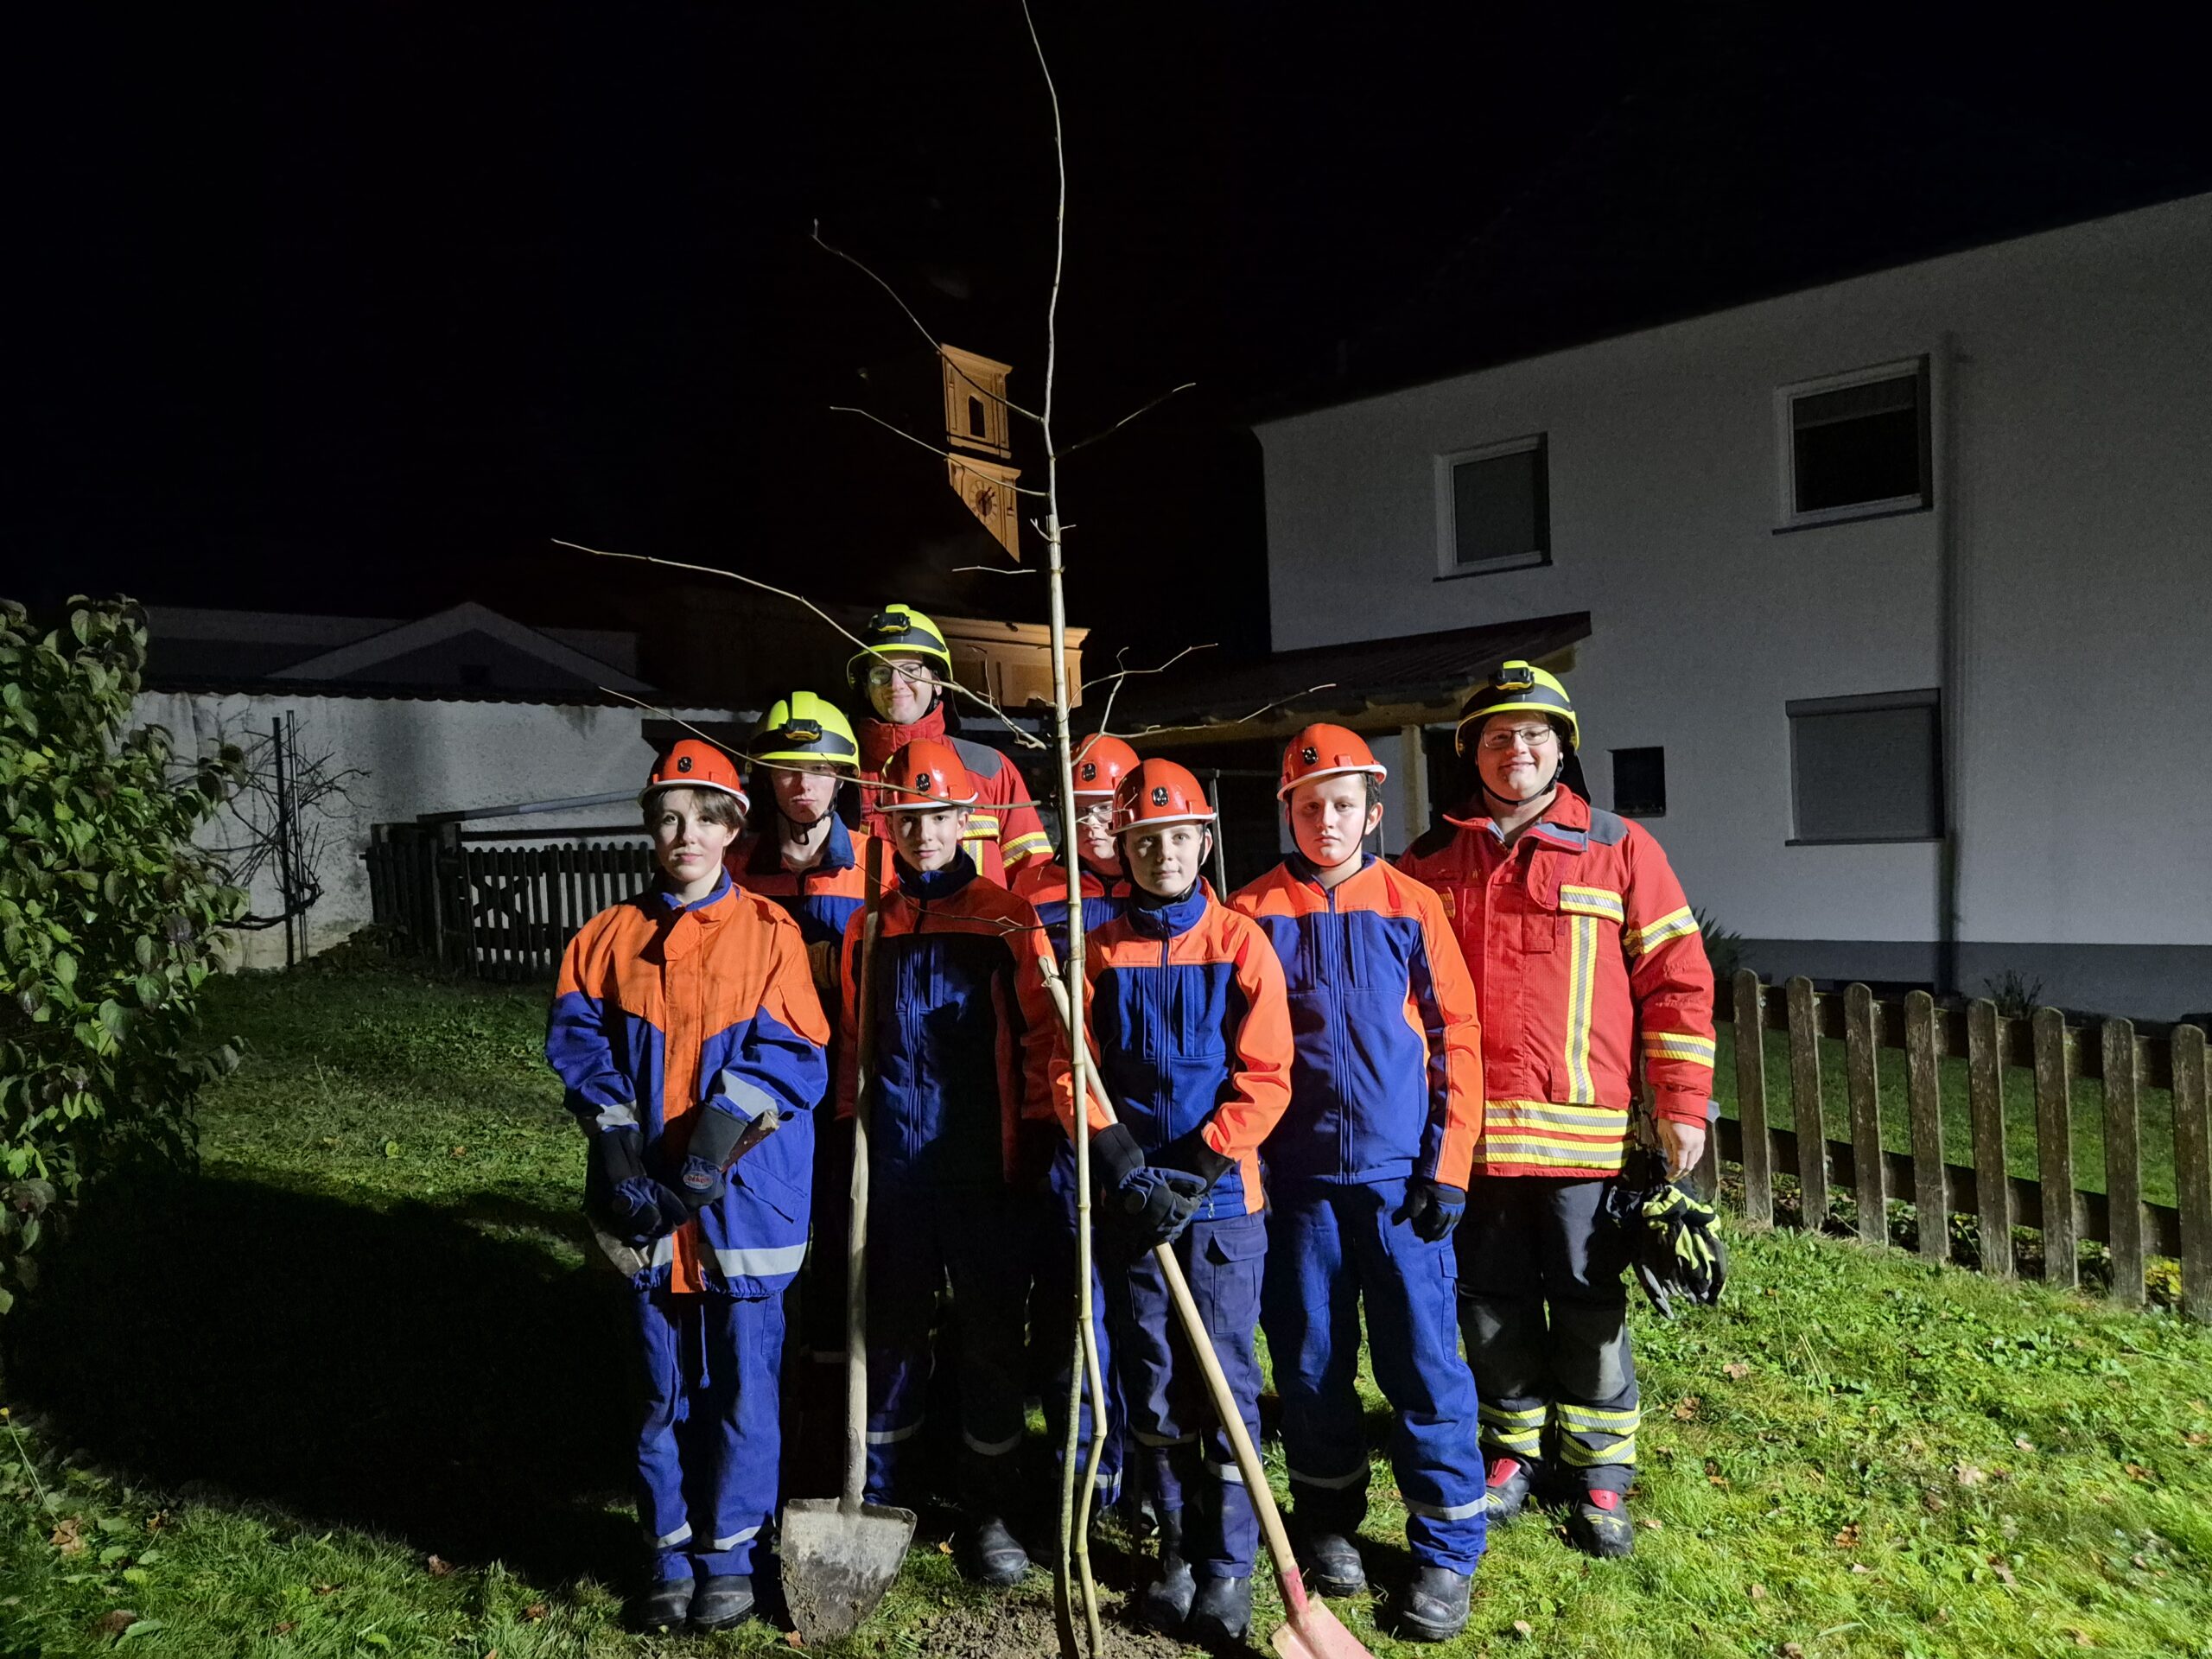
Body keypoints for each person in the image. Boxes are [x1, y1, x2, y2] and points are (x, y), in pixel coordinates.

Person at [1397, 662, 1715, 1558]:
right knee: (1489, 1302)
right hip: (1472, 1142)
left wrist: (1681, 1104)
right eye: (1497, 736)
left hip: (1582, 1138)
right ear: (1472, 754)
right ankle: (1512, 1452)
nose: (1517, 749)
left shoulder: (1621, 849)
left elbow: (1678, 982)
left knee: (1586, 1302)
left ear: (1562, 747)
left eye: (1534, 733)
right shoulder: (1427, 863)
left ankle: (1602, 1472)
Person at [545, 739, 830, 1633]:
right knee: (660, 1388)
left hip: (742, 1202)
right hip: (643, 1207)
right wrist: (623, 1149)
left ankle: (732, 1559)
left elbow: (791, 1055)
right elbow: (579, 1046)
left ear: (730, 827)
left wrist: (705, 1156)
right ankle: (667, 1554)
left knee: (745, 1389)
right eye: (668, 816)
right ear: (650, 829)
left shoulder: (772, 935)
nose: (684, 834)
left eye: (704, 816)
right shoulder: (604, 938)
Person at [1229, 725, 1487, 1642]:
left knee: (1423, 1362)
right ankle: (1330, 1522)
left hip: (1400, 1184)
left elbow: (1458, 1037)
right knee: (1308, 1363)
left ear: (1372, 811)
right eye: (1309, 806)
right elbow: (1234, 1053)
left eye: (1343, 804)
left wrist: (1446, 1165)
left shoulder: (1412, 906)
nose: (1326, 820)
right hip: (1298, 1184)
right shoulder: (1251, 910)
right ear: (1287, 814)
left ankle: (1445, 1550)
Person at [1060, 758, 1293, 1644]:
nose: (1162, 853)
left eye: (1178, 837)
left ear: (1204, 841)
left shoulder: (1239, 943)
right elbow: (1065, 1066)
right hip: (1131, 1198)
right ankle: (1171, 1554)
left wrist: (1195, 1168)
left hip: (1221, 1202)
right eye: (1144, 839)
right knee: (1152, 1382)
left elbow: (1267, 1076)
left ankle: (1230, 1565)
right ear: (1123, 846)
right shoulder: (1098, 949)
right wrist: (1121, 1164)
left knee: (1225, 1384)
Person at [836, 736, 1063, 1585]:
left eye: (938, 815)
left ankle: (992, 1509)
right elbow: (858, 1045)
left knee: (990, 1343)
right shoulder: (870, 926)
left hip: (985, 1172)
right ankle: (884, 1499)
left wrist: (1036, 1137)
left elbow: (1046, 1038)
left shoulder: (1007, 918)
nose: (923, 831)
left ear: (967, 819)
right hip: (893, 1177)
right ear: (887, 825)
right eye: (906, 817)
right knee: (891, 1340)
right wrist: (854, 1132)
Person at [724, 693, 876, 1473]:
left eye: (819, 770)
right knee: (767, 1257)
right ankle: (769, 1410)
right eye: (787, 771)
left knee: (845, 1262)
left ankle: (835, 1414)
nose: (803, 787)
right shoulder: (737, 869)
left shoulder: (875, 868)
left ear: (843, 779)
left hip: (852, 1099)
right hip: (762, 1104)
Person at [1011, 733, 1138, 1516]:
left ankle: (1153, 1463)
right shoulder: (1031, 894)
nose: (1094, 824)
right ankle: (1084, 1470)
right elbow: (1020, 1020)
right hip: (1060, 1129)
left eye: (1108, 809)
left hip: (1147, 1135)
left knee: (1143, 1312)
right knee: (1069, 1314)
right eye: (1079, 808)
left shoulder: (1169, 880)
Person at [846, 602, 1052, 882]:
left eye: (911, 670)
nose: (895, 685)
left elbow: (1037, 883)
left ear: (938, 682)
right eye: (881, 673)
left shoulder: (990, 771)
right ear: (865, 688)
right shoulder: (843, 779)